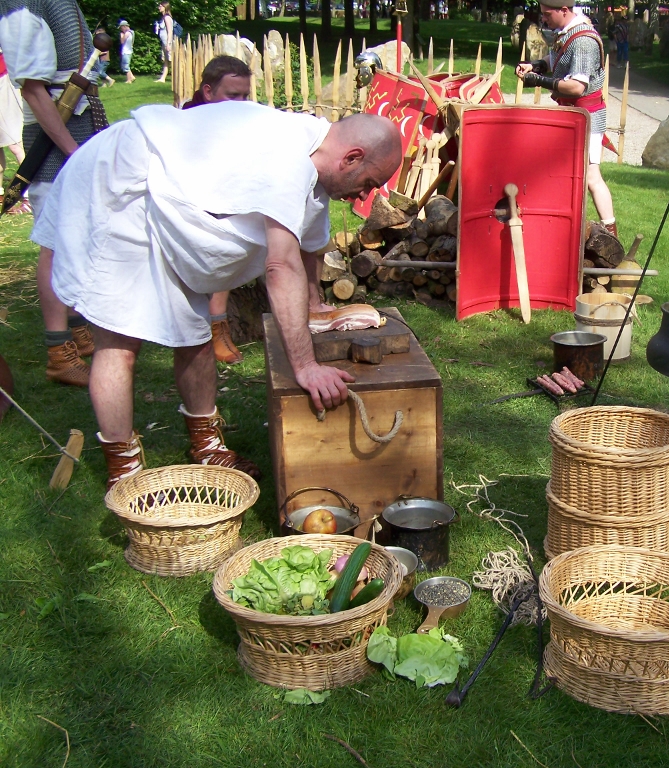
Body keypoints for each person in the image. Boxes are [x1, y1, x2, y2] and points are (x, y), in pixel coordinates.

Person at [35, 104, 402, 487]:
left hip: (168, 196)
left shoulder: (316, 163)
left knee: (194, 336)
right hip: (122, 185)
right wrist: (306, 366)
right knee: (120, 342)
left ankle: (206, 445)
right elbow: (281, 266)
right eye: (370, 181)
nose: (367, 194)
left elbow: (308, 246)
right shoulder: (287, 157)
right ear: (351, 157)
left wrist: (314, 308)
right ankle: (123, 472)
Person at [0, 0, 107, 386]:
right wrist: (72, 152)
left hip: (77, 128)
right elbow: (32, 89)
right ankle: (58, 352)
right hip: (54, 143)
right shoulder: (22, 5)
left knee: (79, 239)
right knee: (56, 246)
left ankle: (77, 327)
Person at [515, 0, 618, 238]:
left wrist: (538, 81)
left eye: (547, 14)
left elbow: (576, 87)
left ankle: (612, 237)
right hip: (572, 115)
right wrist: (537, 65)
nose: (543, 18)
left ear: (564, 10)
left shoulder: (583, 40)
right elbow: (559, 58)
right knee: (562, 171)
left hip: (586, 116)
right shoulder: (567, 31)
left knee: (592, 177)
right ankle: (559, 225)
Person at [182, 55, 253, 364]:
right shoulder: (185, 123)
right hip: (186, 206)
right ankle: (190, 330)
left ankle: (217, 327)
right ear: (208, 91)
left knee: (229, 242)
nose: (241, 104)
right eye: (232, 95)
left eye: (245, 96)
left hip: (225, 200)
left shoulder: (243, 122)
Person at [155, 1, 173, 83]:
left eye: (160, 6)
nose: (159, 7)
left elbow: (170, 31)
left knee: (171, 60)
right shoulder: (163, 17)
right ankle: (163, 78)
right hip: (164, 42)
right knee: (166, 60)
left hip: (168, 42)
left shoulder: (167, 18)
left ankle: (177, 77)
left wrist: (168, 44)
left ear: (165, 7)